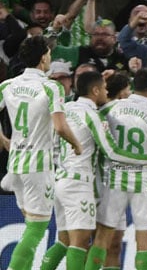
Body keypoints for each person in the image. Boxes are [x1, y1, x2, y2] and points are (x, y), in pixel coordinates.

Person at [40, 71, 147, 270]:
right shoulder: (92, 115)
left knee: (64, 241)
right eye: (103, 88)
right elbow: (112, 151)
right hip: (81, 184)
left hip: (59, 180)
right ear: (95, 90)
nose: (106, 91)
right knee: (80, 242)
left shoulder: (65, 109)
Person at [0, 36, 82, 270]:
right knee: (36, 229)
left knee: (30, 225)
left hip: (15, 164)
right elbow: (60, 126)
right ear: (44, 57)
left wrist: (4, 139)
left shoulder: (7, 85)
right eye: (49, 53)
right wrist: (77, 145)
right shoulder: (51, 86)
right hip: (38, 166)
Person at [84, 69, 147, 270]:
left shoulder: (109, 109)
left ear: (134, 86)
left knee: (102, 239)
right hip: (145, 183)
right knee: (144, 243)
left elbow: (89, 133)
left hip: (114, 180)